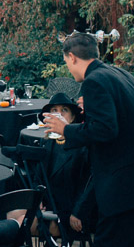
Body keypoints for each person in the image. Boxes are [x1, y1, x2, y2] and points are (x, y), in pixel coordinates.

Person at [44, 32, 134, 247]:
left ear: (72, 57)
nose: (68, 67)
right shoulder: (118, 73)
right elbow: (120, 119)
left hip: (127, 185)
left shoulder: (94, 81)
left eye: (66, 61)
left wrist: (66, 130)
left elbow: (105, 130)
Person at [35, 93, 94, 245]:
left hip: (73, 210)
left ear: (73, 117)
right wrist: (38, 199)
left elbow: (88, 183)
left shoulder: (82, 146)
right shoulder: (47, 143)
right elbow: (39, 177)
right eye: (54, 110)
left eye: (64, 110)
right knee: (17, 217)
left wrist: (78, 212)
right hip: (50, 206)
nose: (58, 114)